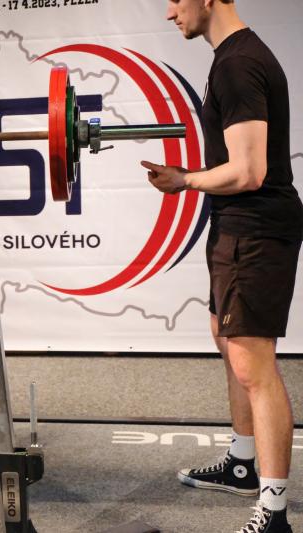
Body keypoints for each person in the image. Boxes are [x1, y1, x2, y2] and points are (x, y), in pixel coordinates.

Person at [142, 2, 302, 532]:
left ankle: (273, 512)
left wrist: (184, 180)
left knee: (253, 366)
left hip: (255, 228)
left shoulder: (238, 63)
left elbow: (249, 171)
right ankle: (242, 463)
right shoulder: (231, 57)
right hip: (235, 223)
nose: (170, 12)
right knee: (226, 339)